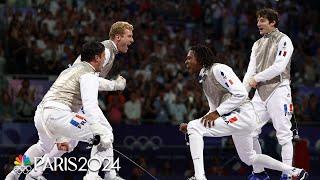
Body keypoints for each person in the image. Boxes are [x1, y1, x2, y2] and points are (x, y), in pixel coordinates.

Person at [5, 21, 134, 180]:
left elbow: (88, 82)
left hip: (42, 112)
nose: (132, 40)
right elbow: (89, 93)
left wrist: (114, 85)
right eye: (129, 36)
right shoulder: (105, 52)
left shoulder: (75, 69)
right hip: (63, 111)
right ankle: (97, 175)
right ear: (97, 57)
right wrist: (114, 86)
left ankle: (16, 173)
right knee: (103, 132)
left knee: (45, 146)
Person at [179, 45, 308, 180]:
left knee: (195, 127)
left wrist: (204, 120)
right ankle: (295, 171)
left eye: (189, 58)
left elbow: (240, 94)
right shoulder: (204, 80)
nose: (186, 61)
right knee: (249, 158)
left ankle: (200, 177)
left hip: (242, 115)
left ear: (200, 59)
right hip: (237, 119)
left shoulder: (218, 69)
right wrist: (192, 125)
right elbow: (213, 110)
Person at [242, 8, 295, 180]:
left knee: (284, 134)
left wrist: (256, 78)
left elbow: (279, 66)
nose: (258, 24)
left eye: (262, 20)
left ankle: (287, 174)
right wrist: (241, 97)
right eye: (258, 20)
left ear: (273, 22)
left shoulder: (284, 40)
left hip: (278, 90)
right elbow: (250, 72)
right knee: (249, 132)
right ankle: (259, 173)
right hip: (259, 94)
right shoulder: (256, 44)